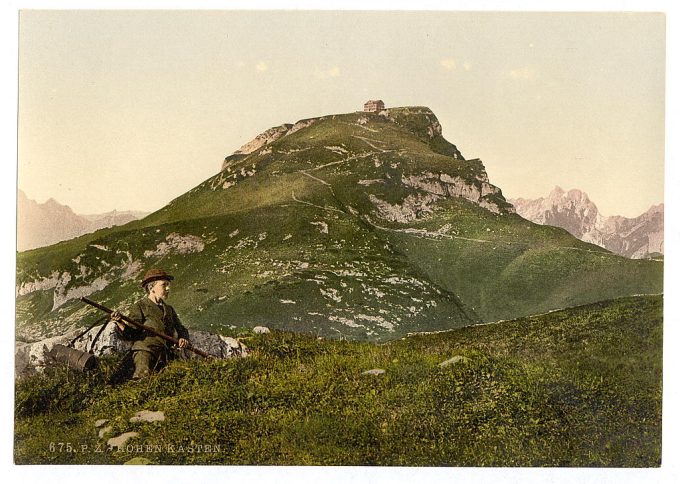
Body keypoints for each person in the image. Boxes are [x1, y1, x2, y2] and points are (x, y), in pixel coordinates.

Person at [110, 268, 191, 380]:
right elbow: (132, 333)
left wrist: (183, 338)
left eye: (168, 285)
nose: (168, 288)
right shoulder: (140, 306)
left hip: (165, 355)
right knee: (142, 379)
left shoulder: (169, 309)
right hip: (145, 352)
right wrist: (120, 322)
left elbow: (181, 328)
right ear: (151, 287)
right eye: (164, 285)